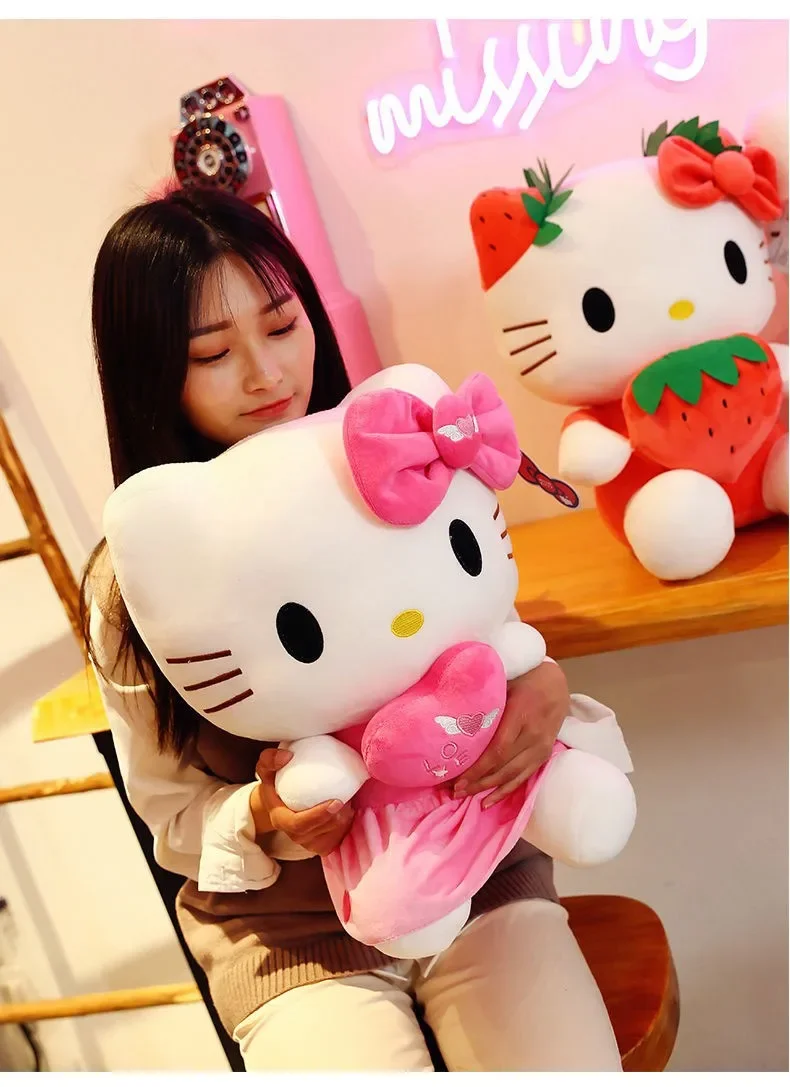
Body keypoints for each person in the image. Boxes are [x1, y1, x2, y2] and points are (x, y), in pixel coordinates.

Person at [81, 187, 622, 1072]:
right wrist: (265, 814)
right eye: (212, 352)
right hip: (288, 934)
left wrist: (546, 687)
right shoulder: (133, 582)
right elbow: (169, 813)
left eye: (282, 325)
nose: (267, 374)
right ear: (150, 375)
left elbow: (488, 637)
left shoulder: (396, 464)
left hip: (475, 861)